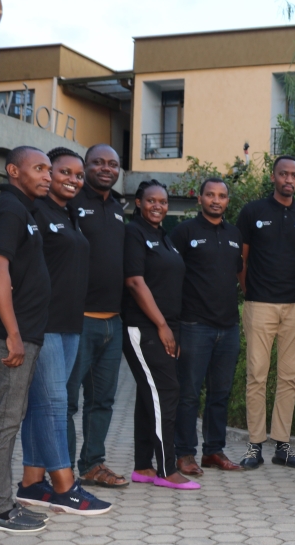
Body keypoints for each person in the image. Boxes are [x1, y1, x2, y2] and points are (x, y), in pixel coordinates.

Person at [0, 147, 108, 516]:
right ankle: (64, 488)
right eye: (61, 172)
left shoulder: (68, 213)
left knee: (44, 405)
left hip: (71, 323)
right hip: (44, 324)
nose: (71, 179)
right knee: (55, 405)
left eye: (77, 175)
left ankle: (30, 482)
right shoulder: (31, 210)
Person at [0, 147, 53, 532]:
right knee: (3, 422)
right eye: (39, 168)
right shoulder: (9, 207)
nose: (47, 175)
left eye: (49, 169)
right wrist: (14, 335)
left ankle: (0, 502)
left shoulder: (22, 209)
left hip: (19, 332)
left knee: (7, 419)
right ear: (13, 171)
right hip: (6, 335)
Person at [237, 155, 295, 470]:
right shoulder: (253, 212)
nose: (289, 180)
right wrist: (249, 293)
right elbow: (241, 259)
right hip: (259, 305)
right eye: (283, 174)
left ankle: (283, 445)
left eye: (294, 175)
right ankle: (255, 445)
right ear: (273, 177)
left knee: (289, 377)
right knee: (256, 375)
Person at [122, 180, 198, 490]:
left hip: (168, 326)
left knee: (148, 395)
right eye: (151, 200)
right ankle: (167, 469)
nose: (158, 206)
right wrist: (162, 326)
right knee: (166, 392)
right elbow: (135, 282)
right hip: (145, 326)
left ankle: (143, 466)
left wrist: (172, 327)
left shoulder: (163, 236)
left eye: (163, 201)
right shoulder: (134, 233)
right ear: (138, 202)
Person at [169, 177, 245, 475]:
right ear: (199, 198)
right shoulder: (183, 233)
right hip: (194, 326)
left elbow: (237, 273)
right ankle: (185, 453)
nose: (216, 200)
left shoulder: (235, 234)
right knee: (189, 394)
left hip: (228, 328)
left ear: (228, 200)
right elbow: (170, 276)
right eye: (210, 195)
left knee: (220, 393)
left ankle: (213, 451)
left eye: (222, 195)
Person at [67, 144, 130, 489]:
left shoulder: (118, 209)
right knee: (66, 401)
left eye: (113, 164)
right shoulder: (72, 203)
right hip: (78, 322)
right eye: (98, 163)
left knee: (102, 400)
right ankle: (59, 471)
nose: (106, 168)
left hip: (113, 322)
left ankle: (92, 465)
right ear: (85, 166)